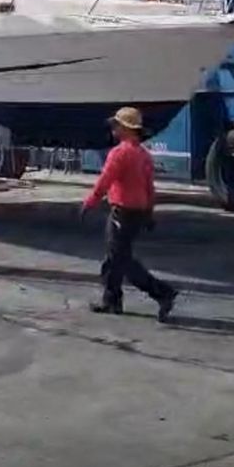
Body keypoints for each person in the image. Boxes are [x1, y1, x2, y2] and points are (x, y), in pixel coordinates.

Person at [82, 106, 178, 322]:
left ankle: (162, 293)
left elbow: (104, 181)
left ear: (126, 128)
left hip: (122, 212)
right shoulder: (143, 155)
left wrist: (90, 203)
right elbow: (149, 187)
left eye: (116, 125)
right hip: (137, 213)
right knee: (115, 259)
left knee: (121, 261)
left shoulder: (119, 153)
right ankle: (112, 301)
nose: (113, 128)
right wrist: (149, 212)